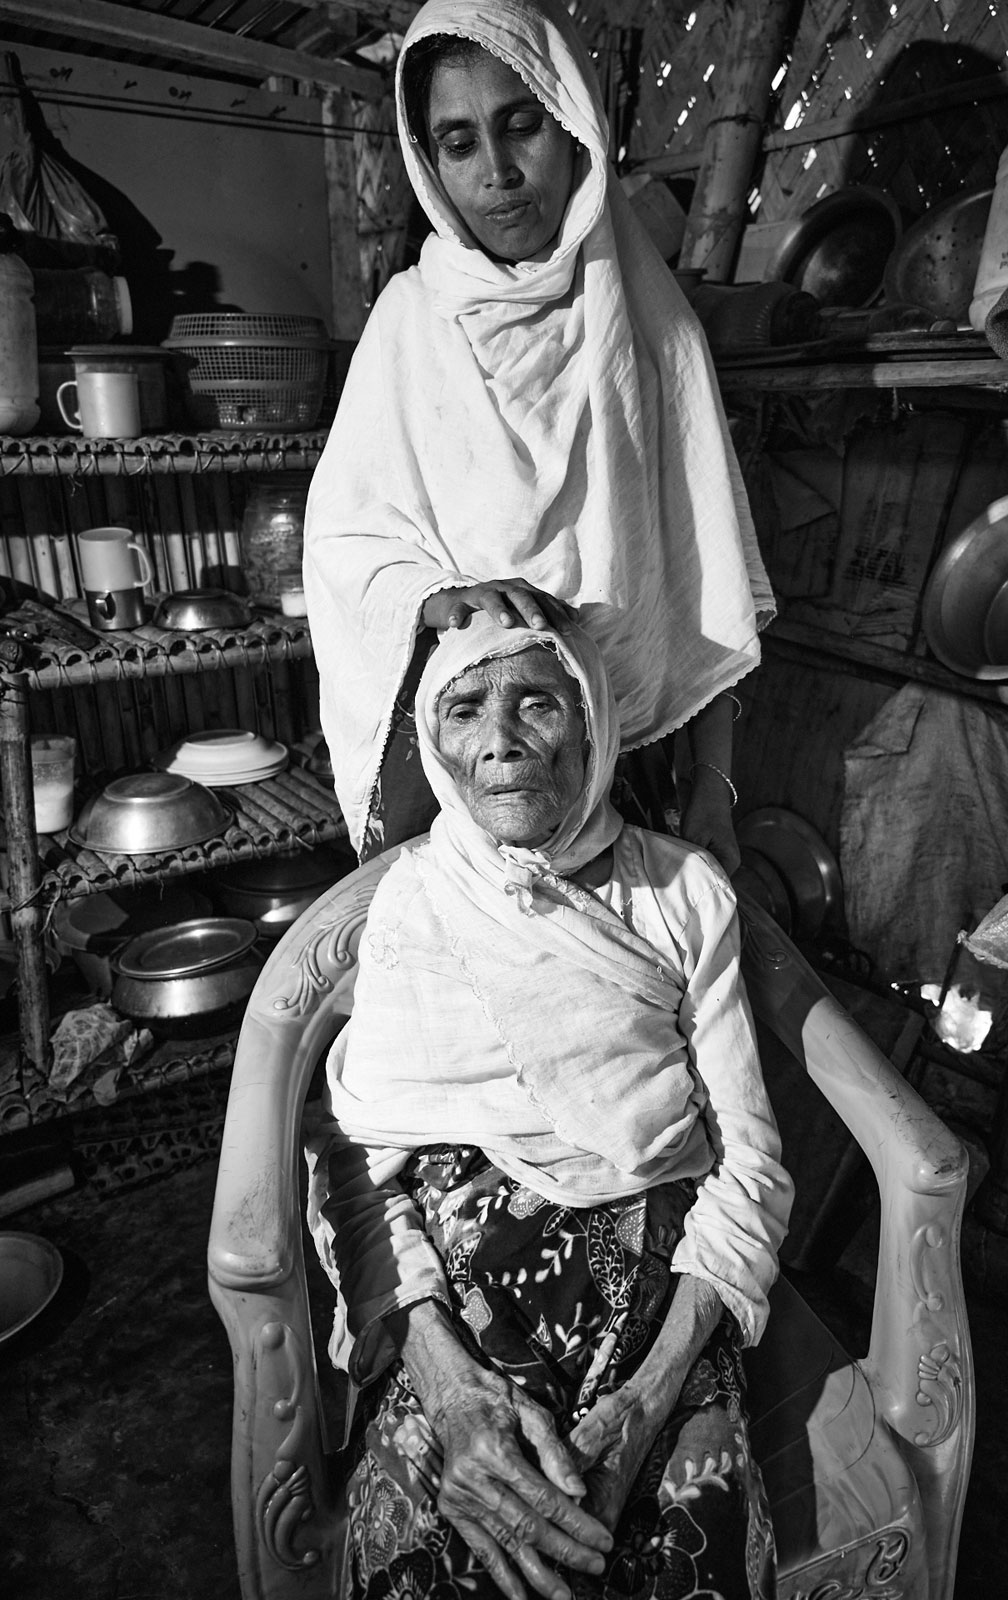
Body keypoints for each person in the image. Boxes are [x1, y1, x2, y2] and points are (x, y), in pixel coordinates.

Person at [307, 612, 793, 1600]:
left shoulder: (683, 892)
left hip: (660, 1317)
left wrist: (646, 1404)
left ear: (593, 723)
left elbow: (749, 1161)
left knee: (689, 1551)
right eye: (464, 709)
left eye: (537, 700)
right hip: (469, 1326)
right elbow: (362, 1162)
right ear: (436, 748)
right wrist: (446, 1382)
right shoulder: (415, 903)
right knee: (422, 1558)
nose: (501, 737)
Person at [303, 0, 775, 873]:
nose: (498, 172)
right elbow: (345, 549)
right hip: (454, 768)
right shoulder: (410, 324)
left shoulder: (651, 331)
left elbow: (705, 596)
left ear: (575, 130)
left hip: (623, 755)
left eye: (522, 126)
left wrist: (713, 790)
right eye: (458, 142)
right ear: (430, 164)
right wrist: (445, 599)